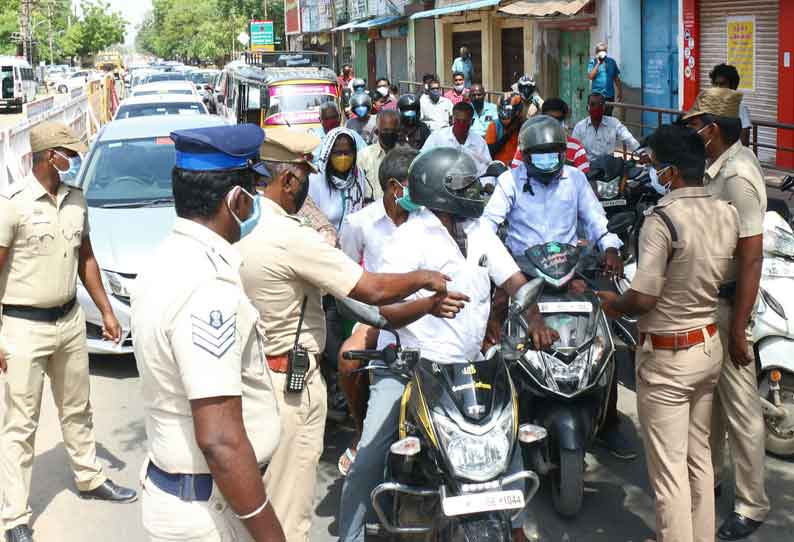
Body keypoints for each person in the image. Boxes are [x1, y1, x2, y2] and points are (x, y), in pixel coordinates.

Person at [238, 131, 452, 542]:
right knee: (289, 507)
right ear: (289, 181)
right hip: (300, 374)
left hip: (260, 369)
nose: (307, 187)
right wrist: (425, 283)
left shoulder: (250, 222)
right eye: (304, 176)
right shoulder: (295, 235)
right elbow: (365, 288)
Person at [337, 147, 558, 542]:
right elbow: (387, 312)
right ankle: (350, 536)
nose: (476, 190)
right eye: (466, 184)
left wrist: (536, 319)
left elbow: (514, 282)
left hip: (472, 367)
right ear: (441, 190)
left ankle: (517, 526)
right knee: (369, 455)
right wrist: (428, 306)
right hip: (411, 367)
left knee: (507, 444)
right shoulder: (408, 238)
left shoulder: (479, 231)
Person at [131, 124, 282, 542]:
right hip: (210, 511)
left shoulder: (167, 257)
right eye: (254, 192)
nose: (257, 204)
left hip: (194, 496)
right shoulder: (206, 289)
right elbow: (219, 439)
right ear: (236, 200)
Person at [598, 124, 740, 542]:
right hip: (706, 344)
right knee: (699, 460)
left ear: (672, 172)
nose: (652, 172)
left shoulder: (662, 221)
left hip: (669, 358)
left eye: (655, 165)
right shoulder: (724, 211)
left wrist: (612, 302)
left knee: (670, 473)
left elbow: (642, 297)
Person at [0, 122, 136, 542]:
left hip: (69, 321)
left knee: (78, 407)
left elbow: (87, 259)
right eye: (66, 154)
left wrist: (107, 312)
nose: (72, 160)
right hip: (23, 327)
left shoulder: (76, 200)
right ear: (47, 156)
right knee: (20, 425)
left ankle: (89, 476)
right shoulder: (13, 204)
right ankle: (15, 518)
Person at [483, 115, 635, 459]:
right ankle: (496, 419)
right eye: (540, 155)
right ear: (526, 155)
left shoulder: (576, 180)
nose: (548, 161)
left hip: (569, 275)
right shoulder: (509, 182)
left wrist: (609, 247)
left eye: (554, 154)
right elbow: (488, 225)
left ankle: (608, 423)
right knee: (496, 342)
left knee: (606, 344)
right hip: (521, 277)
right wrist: (491, 260)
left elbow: (596, 220)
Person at [683, 87, 770, 541]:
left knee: (741, 410)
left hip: (729, 305)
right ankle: (711, 478)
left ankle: (753, 503)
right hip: (709, 301)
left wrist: (739, 327)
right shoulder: (716, 168)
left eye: (695, 125)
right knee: (711, 403)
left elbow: (751, 256)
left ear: (711, 130)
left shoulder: (737, 175)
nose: (692, 132)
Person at [336, 146, 419, 476]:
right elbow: (345, 273)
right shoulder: (360, 223)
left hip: (423, 313)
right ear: (394, 187)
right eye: (415, 184)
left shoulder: (428, 220)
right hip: (376, 316)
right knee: (347, 357)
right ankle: (361, 430)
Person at [309, 126, 368, 232]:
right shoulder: (315, 180)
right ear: (329, 153)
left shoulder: (358, 176)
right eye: (338, 153)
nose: (343, 157)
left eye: (347, 153)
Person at [512, 97, 590, 174]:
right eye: (549, 118)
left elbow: (584, 176)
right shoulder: (527, 144)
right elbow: (516, 171)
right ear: (541, 118)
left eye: (558, 119)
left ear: (564, 120)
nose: (553, 123)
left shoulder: (576, 147)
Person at [421, 101, 492, 175]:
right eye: (458, 121)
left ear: (472, 122)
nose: (461, 125)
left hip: (471, 182)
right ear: (452, 120)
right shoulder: (437, 137)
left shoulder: (479, 142)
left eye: (464, 121)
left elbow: (487, 168)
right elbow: (423, 159)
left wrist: (487, 184)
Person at [572, 93, 640, 161]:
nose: (596, 107)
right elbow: (573, 150)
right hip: (587, 167)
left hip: (608, 167)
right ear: (588, 107)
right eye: (593, 104)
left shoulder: (614, 123)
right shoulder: (579, 127)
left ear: (604, 107)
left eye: (600, 104)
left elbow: (628, 137)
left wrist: (641, 152)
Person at [358, 110, 401, 201]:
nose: (389, 133)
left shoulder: (405, 156)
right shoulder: (363, 156)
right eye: (385, 130)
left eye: (393, 130)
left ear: (398, 132)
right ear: (377, 131)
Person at [709, 63, 752, 146]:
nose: (718, 88)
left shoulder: (739, 107)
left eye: (722, 84)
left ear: (733, 86)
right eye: (716, 84)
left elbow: (744, 139)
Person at [485, 93, 523, 164]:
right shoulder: (494, 126)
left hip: (519, 166)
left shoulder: (523, 127)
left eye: (509, 113)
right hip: (499, 167)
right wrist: (508, 134)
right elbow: (489, 151)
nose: (505, 120)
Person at [587, 42, 622, 116]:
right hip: (596, 96)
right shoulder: (593, 62)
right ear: (596, 52)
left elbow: (616, 78)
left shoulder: (612, 62)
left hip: (609, 96)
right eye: (599, 51)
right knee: (596, 116)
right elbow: (590, 76)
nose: (602, 52)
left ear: (606, 52)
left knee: (608, 117)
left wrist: (620, 91)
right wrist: (598, 63)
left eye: (603, 50)